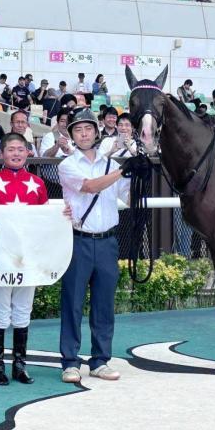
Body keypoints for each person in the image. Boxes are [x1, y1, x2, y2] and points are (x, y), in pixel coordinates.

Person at [57, 108, 135, 383]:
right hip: (78, 241)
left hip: (107, 241)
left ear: (96, 131)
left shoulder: (113, 165)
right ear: (72, 135)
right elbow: (89, 186)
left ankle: (101, 360)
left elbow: (129, 194)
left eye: (88, 128)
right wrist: (124, 168)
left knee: (104, 304)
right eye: (78, 130)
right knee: (72, 303)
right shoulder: (67, 165)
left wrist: (140, 169)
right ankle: (70, 361)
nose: (84, 133)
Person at [0, 133, 54, 385]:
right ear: (2, 153)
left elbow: (45, 220)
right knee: (0, 310)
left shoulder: (38, 183)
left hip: (27, 258)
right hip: (0, 258)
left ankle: (20, 364)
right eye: (11, 149)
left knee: (23, 310)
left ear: (28, 152)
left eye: (21, 149)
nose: (16, 153)